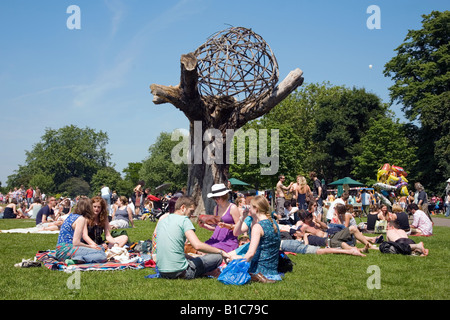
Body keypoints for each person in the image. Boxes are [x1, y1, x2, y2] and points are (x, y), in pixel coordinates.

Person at [155, 196, 230, 279]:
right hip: (181, 272)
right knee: (217, 257)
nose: (191, 215)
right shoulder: (183, 220)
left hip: (162, 271)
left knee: (199, 260)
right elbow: (197, 245)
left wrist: (193, 258)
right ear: (183, 207)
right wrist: (221, 252)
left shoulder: (163, 221)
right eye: (191, 211)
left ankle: (207, 271)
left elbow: (173, 251)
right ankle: (208, 271)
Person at [240, 195, 282, 281]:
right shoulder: (273, 222)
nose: (249, 209)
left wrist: (238, 265)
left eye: (251, 207)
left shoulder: (258, 227)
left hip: (259, 271)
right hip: (273, 271)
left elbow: (251, 253)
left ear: (256, 209)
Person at [55, 197, 107, 264]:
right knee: (102, 256)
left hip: (60, 249)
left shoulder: (72, 215)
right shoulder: (81, 219)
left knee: (100, 249)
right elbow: (76, 242)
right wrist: (90, 246)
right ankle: (76, 261)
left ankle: (78, 259)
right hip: (67, 250)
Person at [199, 183, 240, 253]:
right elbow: (217, 228)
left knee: (208, 253)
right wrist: (205, 226)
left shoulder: (232, 207)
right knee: (200, 250)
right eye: (214, 198)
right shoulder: (216, 208)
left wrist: (227, 226)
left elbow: (239, 228)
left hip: (228, 240)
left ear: (224, 196)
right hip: (216, 239)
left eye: (217, 197)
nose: (216, 200)